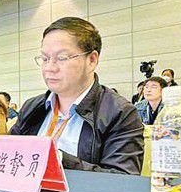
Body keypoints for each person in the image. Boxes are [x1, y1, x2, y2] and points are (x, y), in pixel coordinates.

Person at [10, 17, 143, 174]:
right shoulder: (32, 107)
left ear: (91, 60)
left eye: (61, 58)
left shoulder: (120, 113)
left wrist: (58, 160)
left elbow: (123, 179)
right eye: (45, 59)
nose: (49, 68)